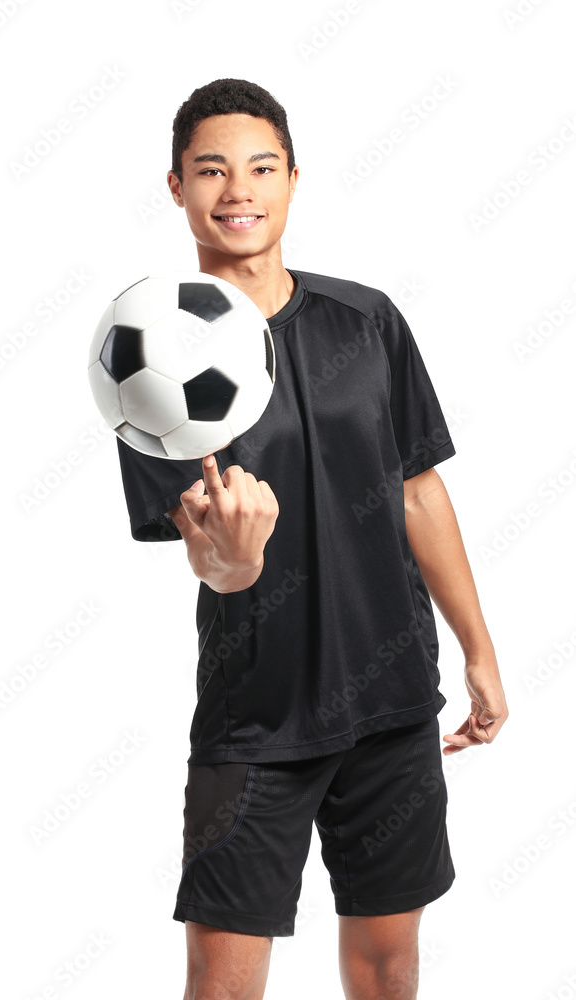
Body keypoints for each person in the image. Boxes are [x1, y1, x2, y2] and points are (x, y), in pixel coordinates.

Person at [115, 78, 509, 1000]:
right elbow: (204, 555)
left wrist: (479, 650)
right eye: (210, 169)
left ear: (294, 180)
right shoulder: (145, 357)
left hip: (393, 699)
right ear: (176, 186)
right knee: (221, 981)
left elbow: (418, 492)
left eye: (260, 167)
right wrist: (238, 558)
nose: (237, 189)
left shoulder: (365, 319)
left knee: (388, 965)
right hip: (254, 717)